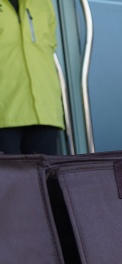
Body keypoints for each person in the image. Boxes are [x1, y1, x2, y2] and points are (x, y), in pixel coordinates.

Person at [0, 0, 64, 155]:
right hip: (4, 113)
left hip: (45, 112)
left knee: (45, 171)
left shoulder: (43, 3)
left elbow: (48, 49)